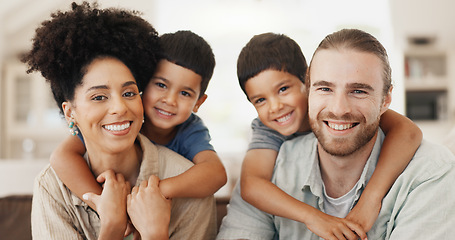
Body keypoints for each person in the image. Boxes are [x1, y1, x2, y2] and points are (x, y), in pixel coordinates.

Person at [217, 28, 455, 239]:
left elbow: (408, 131)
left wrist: (372, 197)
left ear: (386, 100)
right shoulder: (271, 158)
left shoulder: (431, 173)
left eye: (359, 91)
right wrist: (313, 217)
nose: (339, 109)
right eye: (325, 88)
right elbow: (252, 187)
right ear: (310, 89)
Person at [22, 2, 216, 239]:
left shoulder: (189, 186)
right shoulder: (52, 188)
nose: (119, 107)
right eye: (99, 97)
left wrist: (155, 233)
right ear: (70, 112)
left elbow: (214, 172)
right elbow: (61, 157)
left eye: (129, 93)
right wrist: (112, 226)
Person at [49, 30, 227, 211]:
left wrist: (158, 190)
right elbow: (61, 157)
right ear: (142, 84)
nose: (170, 100)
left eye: (184, 93)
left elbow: (216, 173)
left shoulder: (190, 129)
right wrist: (104, 205)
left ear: (198, 102)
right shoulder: (119, 119)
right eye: (161, 85)